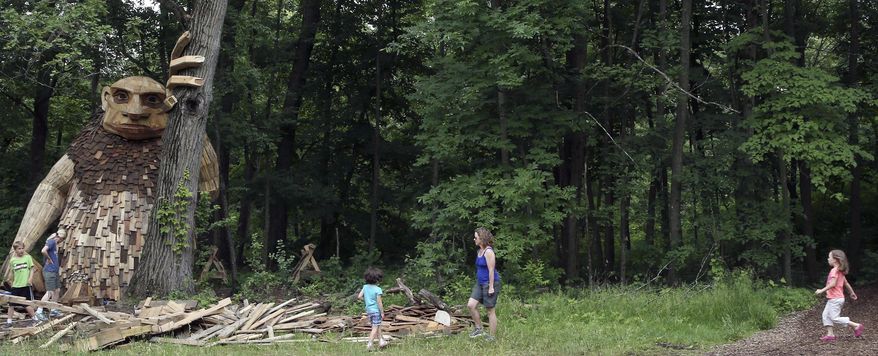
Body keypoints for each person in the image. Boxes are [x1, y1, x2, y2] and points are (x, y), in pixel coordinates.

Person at [815, 249, 864, 341]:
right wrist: (852, 292)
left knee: (834, 318)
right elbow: (846, 283)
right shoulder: (839, 271)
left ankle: (856, 326)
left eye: (829, 257)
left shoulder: (834, 271)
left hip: (835, 299)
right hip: (834, 298)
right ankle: (830, 335)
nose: (828, 259)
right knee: (825, 315)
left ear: (835, 260)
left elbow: (833, 284)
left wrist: (821, 290)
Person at [467, 227, 500, 341]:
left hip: (490, 283)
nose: (474, 239)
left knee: (490, 310)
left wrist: (491, 287)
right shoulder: (479, 251)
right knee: (471, 305)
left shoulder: (489, 252)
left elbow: (491, 270)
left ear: (481, 238)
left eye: (476, 237)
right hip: (480, 283)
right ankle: (479, 329)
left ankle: (492, 336)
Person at [5, 241, 39, 326]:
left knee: (26, 304)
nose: (21, 250)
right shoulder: (12, 260)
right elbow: (13, 272)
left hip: (25, 285)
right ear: (15, 250)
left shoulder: (27, 258)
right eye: (19, 249)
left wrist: (30, 278)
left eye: (22, 248)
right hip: (16, 286)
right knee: (11, 304)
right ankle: (9, 322)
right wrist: (12, 282)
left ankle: (36, 319)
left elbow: (31, 269)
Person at [36, 229, 66, 320]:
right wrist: (48, 258)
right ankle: (39, 311)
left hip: (54, 271)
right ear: (60, 238)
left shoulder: (54, 244)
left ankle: (53, 309)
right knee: (50, 292)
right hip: (49, 271)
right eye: (62, 239)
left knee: (57, 290)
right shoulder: (52, 242)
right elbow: (43, 250)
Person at [358, 267, 387, 350]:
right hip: (376, 311)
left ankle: (381, 341)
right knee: (375, 328)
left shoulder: (365, 287)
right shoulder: (378, 289)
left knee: (377, 325)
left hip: (369, 311)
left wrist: (367, 300)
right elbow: (379, 303)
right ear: (377, 279)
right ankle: (369, 344)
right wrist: (382, 312)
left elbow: (359, 296)